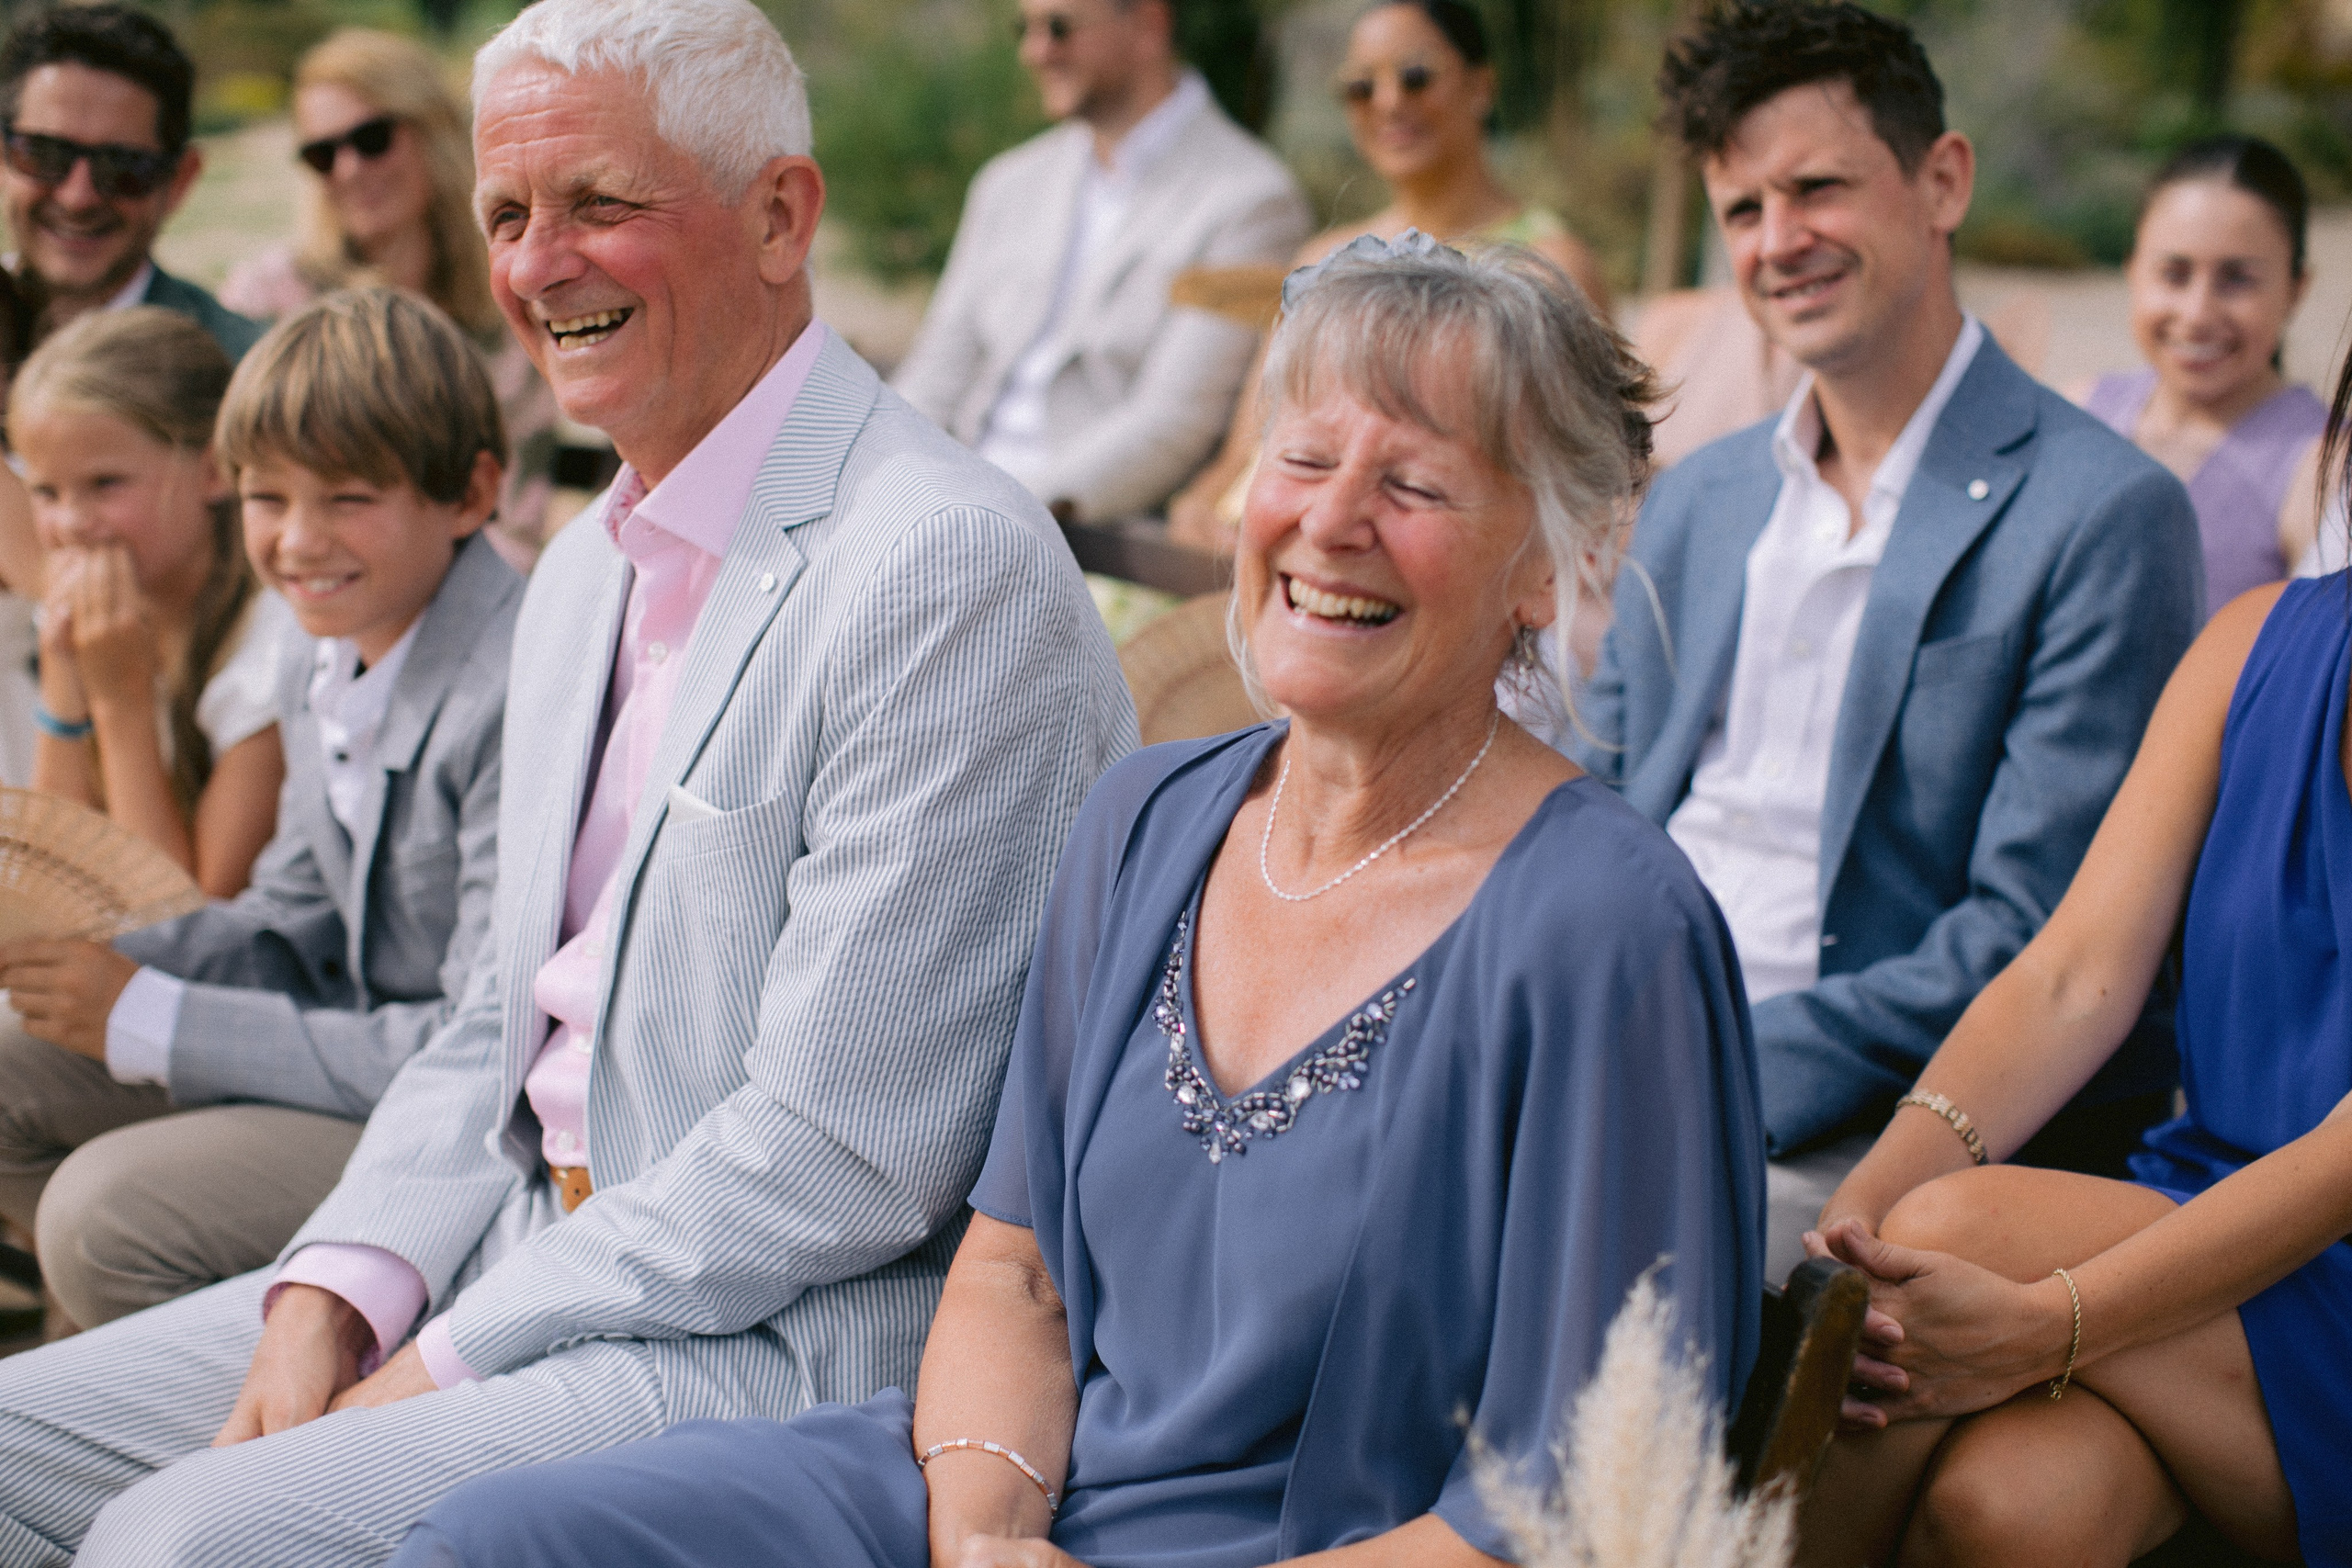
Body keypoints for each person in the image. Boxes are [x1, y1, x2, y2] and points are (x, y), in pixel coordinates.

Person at [387, 232, 1763, 1568]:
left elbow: (1576, 1507)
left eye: (1415, 483)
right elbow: (1016, 1270)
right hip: (991, 1479)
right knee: (489, 1538)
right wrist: (987, 1533)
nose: (1332, 520)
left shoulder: (1609, 929)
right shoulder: (1149, 818)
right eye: (1302, 457)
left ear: (1544, 565)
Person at [0, 0, 1132, 1561]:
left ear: (780, 214)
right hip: (522, 1243)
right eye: (510, 216)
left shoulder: (940, 568)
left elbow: (841, 1156)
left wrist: (439, 1357)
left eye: (601, 203)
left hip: (762, 1342)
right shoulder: (586, 563)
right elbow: (488, 1015)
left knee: (181, 1544)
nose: (536, 265)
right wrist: (336, 1281)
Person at [1575, 0, 2205, 1286]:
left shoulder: (2104, 515)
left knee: (1569, 1260)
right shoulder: (1702, 496)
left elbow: (2033, 934)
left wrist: (1712, 1065)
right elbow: (1593, 803)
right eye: (1743, 210)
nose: (1777, 241)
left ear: (1943, 181)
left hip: (1858, 1108)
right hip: (1614, 1030)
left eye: (1816, 188)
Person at [1792, 436, 2352, 1568]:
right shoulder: (2255, 643)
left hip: (2322, 1268)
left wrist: (2048, 1324)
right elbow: (2072, 973)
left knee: (1955, 1229)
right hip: (2196, 1216)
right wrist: (1863, 1211)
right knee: (2007, 1513)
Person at [0, 287, 518, 1332]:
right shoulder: (327, 646)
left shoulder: (508, 689)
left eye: (348, 498)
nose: (296, 541)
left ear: (469, 497)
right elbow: (282, 923)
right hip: (356, 1047)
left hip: (463, 1118)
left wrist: (153, 1015)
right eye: (267, 499)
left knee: (103, 1215)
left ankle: (271, 1413)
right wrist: (72, 941)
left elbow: (480, 1045)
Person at [1166, 0, 1610, 550]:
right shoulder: (1322, 259)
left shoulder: (1549, 265)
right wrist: (1196, 512)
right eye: (1361, 87)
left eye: (1416, 77)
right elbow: (1244, 454)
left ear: (1482, 86)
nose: (1390, 102)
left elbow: (1577, 482)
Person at [890, 0, 1311, 529]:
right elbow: (932, 378)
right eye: (1025, 28)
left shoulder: (1250, 200)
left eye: (1059, 28)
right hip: (938, 509)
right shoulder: (1008, 183)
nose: (1034, 52)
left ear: (1149, 25)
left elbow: (1172, 425)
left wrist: (982, 516)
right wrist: (888, 489)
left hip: (1087, 541)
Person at [220, 30, 560, 572]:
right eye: (321, 155)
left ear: (435, 134)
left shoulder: (508, 299)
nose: (349, 169)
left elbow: (518, 521)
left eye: (372, 139)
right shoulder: (268, 302)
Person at [8, 307, 291, 899]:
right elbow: (43, 887)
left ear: (214, 470)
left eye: (105, 484)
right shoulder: (90, 620)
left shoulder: (269, 645)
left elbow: (183, 925)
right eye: (45, 491)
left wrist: (118, 702)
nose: (70, 525)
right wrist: (65, 681)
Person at [2075, 134, 2328, 622]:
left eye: (2237, 278)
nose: (2197, 313)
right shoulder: (2082, 412)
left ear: (2297, 290)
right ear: (2132, 271)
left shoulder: (2321, 471)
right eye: (2174, 273)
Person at [0, 3, 261, 360]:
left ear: (181, 180)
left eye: (123, 167)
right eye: (46, 155)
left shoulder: (245, 373)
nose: (78, 198)